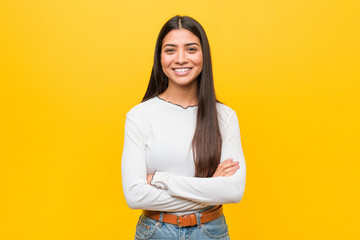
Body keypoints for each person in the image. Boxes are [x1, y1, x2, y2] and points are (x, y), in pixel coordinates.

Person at [121, 15, 246, 240]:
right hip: (156, 232)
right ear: (160, 58)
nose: (180, 59)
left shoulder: (225, 117)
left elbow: (234, 191)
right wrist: (211, 188)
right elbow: (135, 196)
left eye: (191, 49)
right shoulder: (139, 116)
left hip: (210, 232)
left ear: (203, 55)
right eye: (170, 50)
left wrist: (163, 179)